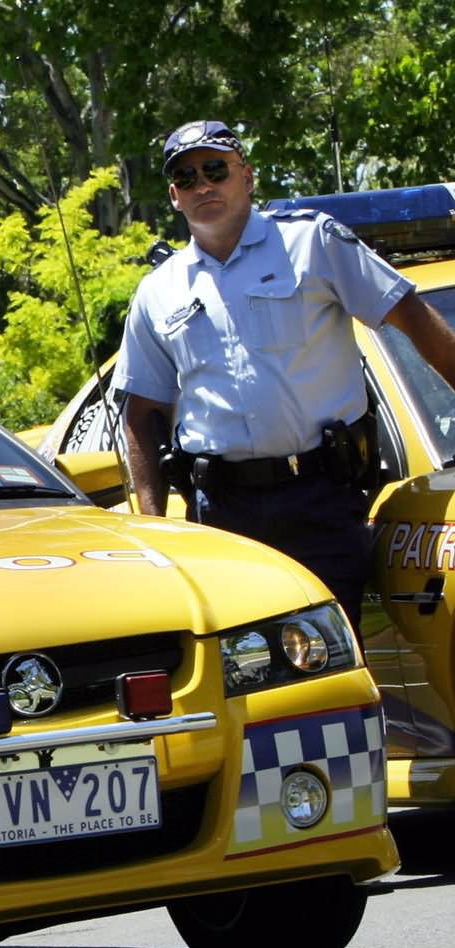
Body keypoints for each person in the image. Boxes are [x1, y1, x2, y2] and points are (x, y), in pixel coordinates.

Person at [117, 119, 455, 628]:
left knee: (330, 670)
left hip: (318, 497)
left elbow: (409, 315)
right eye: (186, 177)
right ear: (173, 196)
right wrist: (153, 525)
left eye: (215, 169)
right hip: (220, 516)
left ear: (247, 177)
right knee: (245, 678)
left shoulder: (312, 243)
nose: (203, 185)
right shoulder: (157, 292)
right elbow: (141, 412)